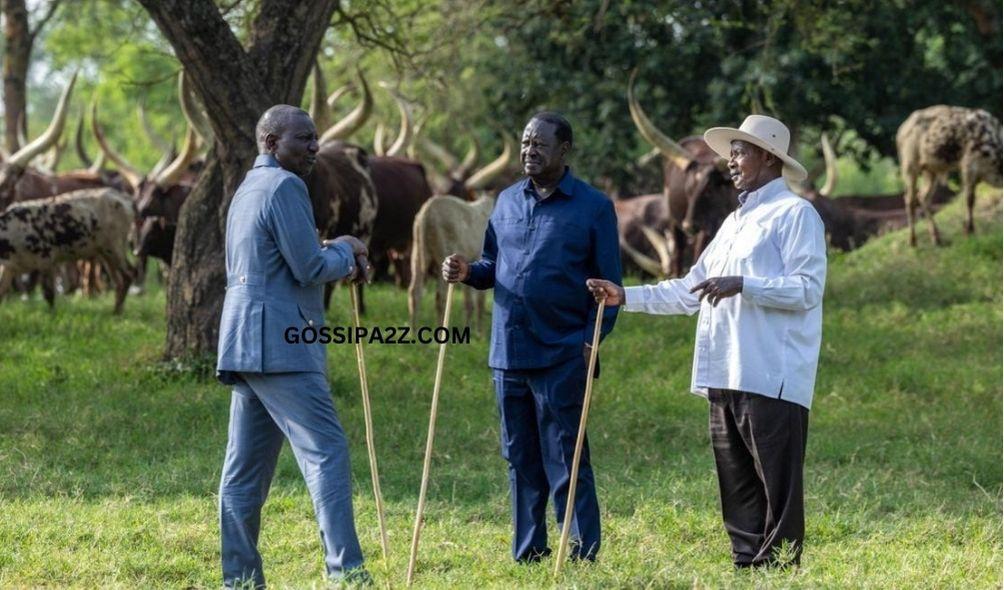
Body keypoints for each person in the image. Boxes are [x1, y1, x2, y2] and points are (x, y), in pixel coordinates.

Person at [587, 115, 827, 569]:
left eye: (740, 152)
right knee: (736, 486)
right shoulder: (736, 220)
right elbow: (689, 289)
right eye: (731, 152)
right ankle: (745, 566)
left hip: (770, 375)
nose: (730, 161)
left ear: (769, 158)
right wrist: (625, 296)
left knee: (777, 487)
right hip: (723, 372)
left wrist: (745, 284)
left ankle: (779, 573)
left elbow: (807, 289)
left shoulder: (797, 214)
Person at [442, 112, 622, 563]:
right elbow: (491, 266)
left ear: (564, 150)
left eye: (539, 144)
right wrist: (467, 273)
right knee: (519, 456)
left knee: (567, 455)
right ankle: (529, 550)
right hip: (508, 351)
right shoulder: (505, 202)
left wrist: (589, 342)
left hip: (564, 351)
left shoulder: (593, 207)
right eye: (525, 143)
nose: (529, 151)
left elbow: (609, 290)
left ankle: (581, 551)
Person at [215, 104, 371, 588]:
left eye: (315, 137)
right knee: (326, 451)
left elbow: (276, 261)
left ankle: (239, 579)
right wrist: (347, 249)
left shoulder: (247, 188)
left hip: (244, 341)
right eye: (302, 138)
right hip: (282, 344)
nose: (313, 146)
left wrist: (333, 247)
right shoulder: (285, 186)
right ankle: (347, 575)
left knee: (244, 471)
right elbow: (307, 268)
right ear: (270, 142)